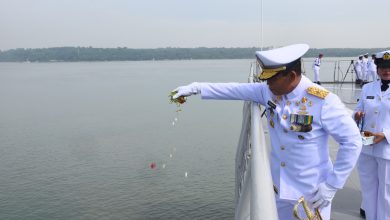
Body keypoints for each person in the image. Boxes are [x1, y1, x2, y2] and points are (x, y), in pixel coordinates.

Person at [172, 44, 362, 220]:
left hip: (311, 194)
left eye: (272, 78)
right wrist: (196, 88)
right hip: (278, 189)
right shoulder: (269, 91)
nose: (267, 83)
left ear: (292, 76)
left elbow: (352, 141)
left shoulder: (323, 101)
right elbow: (235, 90)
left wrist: (332, 185)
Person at [354, 50, 390, 220]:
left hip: (386, 149)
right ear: (377, 68)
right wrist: (357, 115)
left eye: (389, 67)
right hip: (367, 145)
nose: (386, 70)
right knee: (368, 190)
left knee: (386, 194)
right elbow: (358, 108)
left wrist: (385, 134)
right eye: (383, 67)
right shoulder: (368, 87)